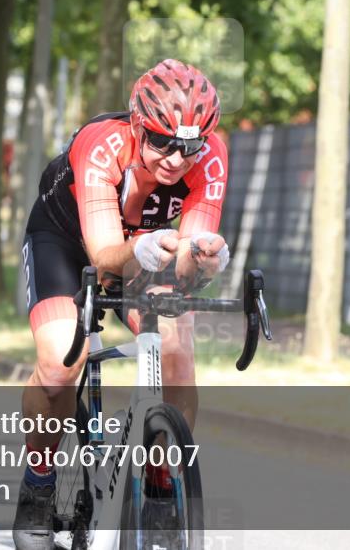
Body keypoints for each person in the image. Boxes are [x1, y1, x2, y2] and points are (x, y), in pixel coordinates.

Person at [13, 59, 230, 549]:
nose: (177, 159)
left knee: (176, 350)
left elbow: (188, 259)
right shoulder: (103, 143)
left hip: (145, 244)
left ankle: (160, 485)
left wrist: (205, 257)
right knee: (59, 364)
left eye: (190, 147)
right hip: (70, 243)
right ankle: (39, 487)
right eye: (160, 142)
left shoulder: (213, 155)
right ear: (137, 125)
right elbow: (105, 257)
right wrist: (142, 249)